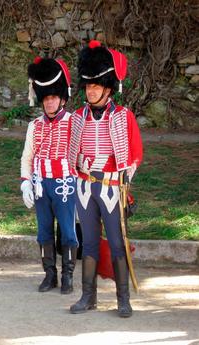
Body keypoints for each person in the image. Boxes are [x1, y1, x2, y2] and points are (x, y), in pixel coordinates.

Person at [68, 40, 143, 317]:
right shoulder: (77, 117)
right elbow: (69, 151)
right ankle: (88, 297)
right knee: (88, 243)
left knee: (115, 242)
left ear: (108, 88)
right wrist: (78, 164)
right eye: (88, 86)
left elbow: (135, 154)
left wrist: (123, 177)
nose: (91, 90)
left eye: (96, 86)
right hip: (85, 186)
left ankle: (123, 299)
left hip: (112, 187)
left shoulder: (124, 117)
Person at [20, 57, 78, 294]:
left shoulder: (74, 122)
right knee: (43, 231)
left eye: (53, 97)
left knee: (67, 230)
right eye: (46, 98)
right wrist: (26, 183)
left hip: (65, 184)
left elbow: (80, 156)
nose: (50, 102)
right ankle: (49, 274)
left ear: (61, 98)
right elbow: (27, 157)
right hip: (41, 185)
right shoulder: (34, 125)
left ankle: (68, 275)